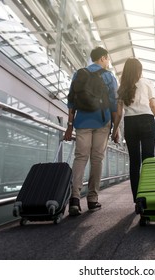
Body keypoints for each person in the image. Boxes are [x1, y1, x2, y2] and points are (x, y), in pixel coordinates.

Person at [64, 47, 118, 216]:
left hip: (82, 121)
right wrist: (115, 128)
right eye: (107, 59)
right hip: (102, 121)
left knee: (80, 157)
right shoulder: (109, 76)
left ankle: (74, 198)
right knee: (97, 159)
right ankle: (92, 199)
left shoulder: (79, 73)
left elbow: (71, 101)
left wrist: (69, 126)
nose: (108, 62)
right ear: (102, 58)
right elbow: (113, 104)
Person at [111, 58, 155, 202]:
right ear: (139, 70)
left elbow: (119, 113)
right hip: (147, 121)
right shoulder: (147, 83)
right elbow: (153, 106)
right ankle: (148, 195)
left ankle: (137, 199)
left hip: (130, 123)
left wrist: (115, 130)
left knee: (134, 162)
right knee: (148, 160)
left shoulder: (121, 88)